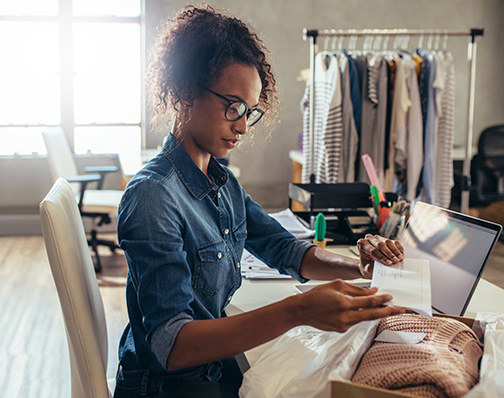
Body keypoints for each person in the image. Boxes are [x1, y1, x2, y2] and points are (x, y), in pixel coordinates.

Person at [114, 5, 405, 398]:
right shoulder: (153, 195)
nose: (241, 125)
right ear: (184, 93)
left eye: (249, 112)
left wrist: (359, 267)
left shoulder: (221, 182)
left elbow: (284, 248)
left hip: (210, 371)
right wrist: (297, 311)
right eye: (231, 105)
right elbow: (173, 346)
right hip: (168, 387)